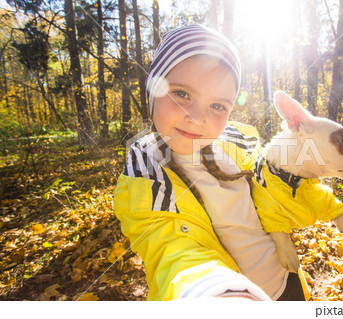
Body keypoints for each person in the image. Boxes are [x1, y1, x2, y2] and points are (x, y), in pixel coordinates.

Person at [113, 24, 310, 301]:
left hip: (286, 281)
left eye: (218, 106)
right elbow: (170, 247)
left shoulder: (238, 142)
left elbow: (273, 192)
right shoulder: (145, 168)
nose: (196, 117)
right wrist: (210, 292)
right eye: (181, 93)